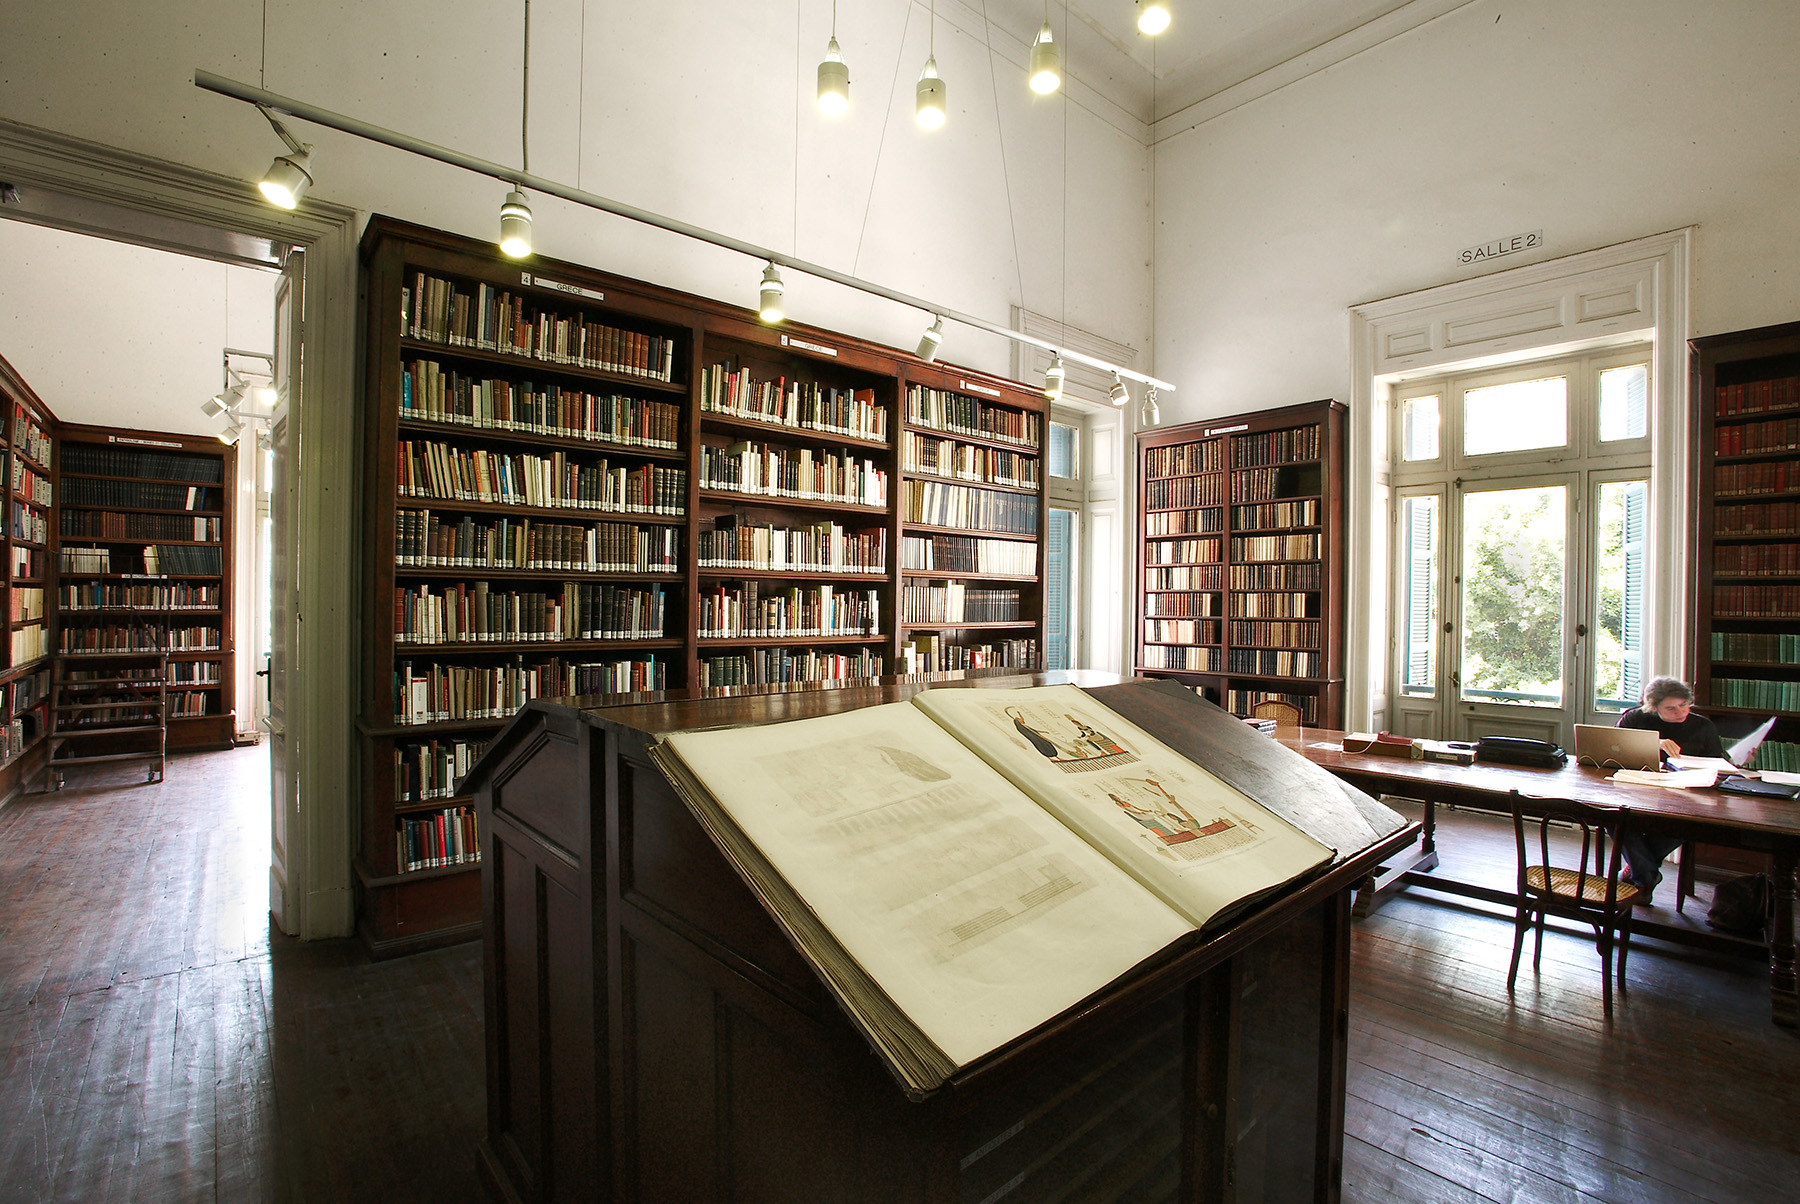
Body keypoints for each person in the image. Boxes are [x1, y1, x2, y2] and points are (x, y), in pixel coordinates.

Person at [1614, 676, 1725, 904]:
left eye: (1684, 705)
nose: (1681, 711)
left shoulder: (1703, 726)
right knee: (1614, 817)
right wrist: (1654, 742)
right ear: (1654, 708)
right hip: (1639, 791)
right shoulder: (1635, 718)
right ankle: (1645, 877)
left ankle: (1641, 877)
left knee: (1682, 825)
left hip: (1686, 797)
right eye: (1671, 708)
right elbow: (1614, 749)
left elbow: (1717, 766)